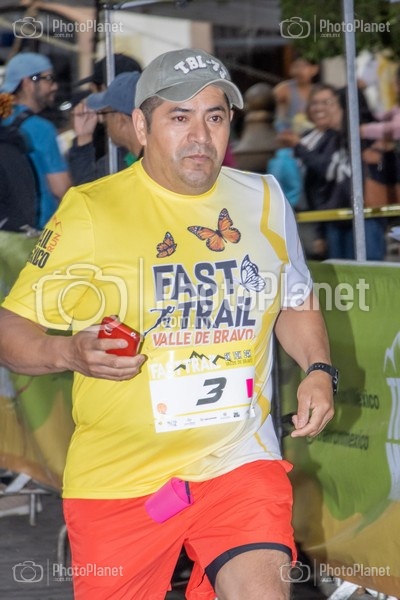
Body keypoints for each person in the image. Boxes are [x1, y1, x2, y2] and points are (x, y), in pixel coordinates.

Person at [0, 48, 335, 600]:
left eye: (215, 116)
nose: (200, 136)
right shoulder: (91, 209)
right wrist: (68, 353)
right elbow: (10, 329)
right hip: (121, 480)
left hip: (237, 463)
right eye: (180, 117)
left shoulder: (264, 199)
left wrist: (319, 369)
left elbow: (294, 298)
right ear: (141, 126)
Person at [0, 52, 71, 229]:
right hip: (34, 231)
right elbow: (61, 189)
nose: (55, 86)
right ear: (27, 83)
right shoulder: (41, 129)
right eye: (49, 79)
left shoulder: (3, 119)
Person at [68, 71, 142, 184]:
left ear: (120, 120)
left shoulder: (129, 168)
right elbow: (89, 187)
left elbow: (91, 192)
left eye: (105, 113)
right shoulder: (123, 158)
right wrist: (84, 137)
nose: (103, 120)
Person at [273, 55, 319, 135]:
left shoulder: (319, 91)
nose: (299, 71)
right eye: (296, 66)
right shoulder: (283, 89)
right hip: (289, 136)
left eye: (303, 66)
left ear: (314, 69)